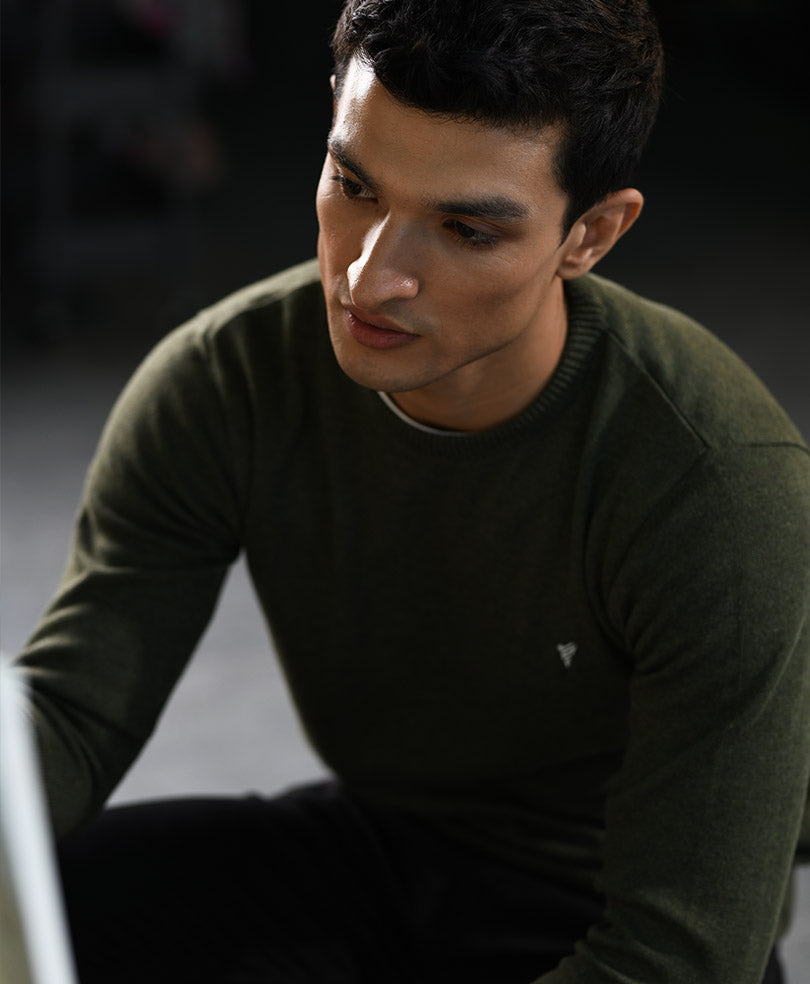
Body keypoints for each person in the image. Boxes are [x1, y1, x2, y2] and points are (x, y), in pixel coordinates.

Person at [9, 0, 809, 981]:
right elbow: (74, 714)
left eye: (466, 229)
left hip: (606, 909)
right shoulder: (225, 383)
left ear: (590, 235)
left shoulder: (714, 486)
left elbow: (682, 955)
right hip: (384, 852)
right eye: (354, 184)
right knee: (40, 911)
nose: (370, 275)